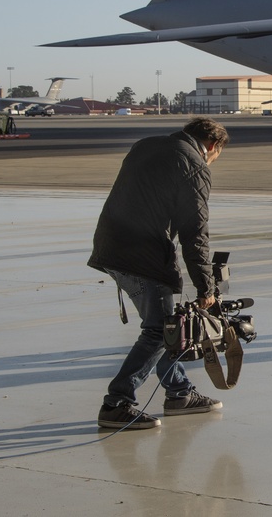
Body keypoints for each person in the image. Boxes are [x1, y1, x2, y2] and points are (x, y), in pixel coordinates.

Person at [89, 117, 230, 429]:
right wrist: (206, 288)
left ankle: (178, 392)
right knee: (158, 331)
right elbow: (194, 234)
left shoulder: (145, 146)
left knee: (168, 329)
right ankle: (117, 403)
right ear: (211, 146)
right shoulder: (194, 165)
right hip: (142, 255)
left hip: (110, 245)